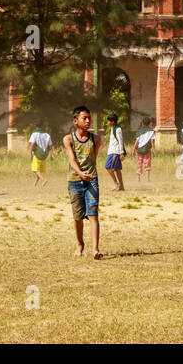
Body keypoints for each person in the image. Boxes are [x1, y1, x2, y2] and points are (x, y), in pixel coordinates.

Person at [64, 105, 101, 258]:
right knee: (78, 218)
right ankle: (80, 245)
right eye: (84, 118)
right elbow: (72, 160)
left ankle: (95, 249)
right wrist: (80, 173)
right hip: (74, 181)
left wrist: (89, 175)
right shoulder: (68, 139)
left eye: (89, 119)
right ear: (75, 120)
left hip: (91, 181)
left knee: (93, 215)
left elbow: (94, 159)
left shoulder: (96, 139)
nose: (87, 121)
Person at [103, 113, 127, 191]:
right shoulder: (113, 128)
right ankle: (122, 186)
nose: (108, 122)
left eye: (109, 121)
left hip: (115, 152)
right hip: (112, 151)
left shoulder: (118, 129)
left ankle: (116, 184)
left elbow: (121, 141)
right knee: (117, 169)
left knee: (108, 166)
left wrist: (121, 153)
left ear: (113, 121)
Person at [28, 121, 54, 187]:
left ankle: (43, 180)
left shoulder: (34, 134)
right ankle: (35, 184)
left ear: (35, 126)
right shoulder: (47, 135)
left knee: (35, 169)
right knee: (38, 170)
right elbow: (50, 146)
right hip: (44, 154)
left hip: (37, 154)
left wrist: (30, 153)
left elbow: (32, 144)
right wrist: (51, 154)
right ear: (42, 126)